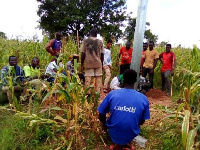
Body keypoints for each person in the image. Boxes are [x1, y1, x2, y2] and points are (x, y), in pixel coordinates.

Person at [97, 69, 150, 149]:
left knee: (110, 117)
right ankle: (127, 142)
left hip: (112, 132)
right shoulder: (143, 98)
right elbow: (142, 121)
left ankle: (116, 143)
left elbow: (101, 114)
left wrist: (105, 127)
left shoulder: (112, 94)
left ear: (123, 80)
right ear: (136, 80)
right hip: (132, 132)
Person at [81, 28, 104, 94]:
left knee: (88, 79)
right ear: (96, 34)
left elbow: (83, 54)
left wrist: (82, 64)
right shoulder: (100, 42)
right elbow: (102, 54)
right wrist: (101, 64)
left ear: (90, 33)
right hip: (98, 63)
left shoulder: (85, 41)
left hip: (89, 63)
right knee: (98, 80)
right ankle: (97, 94)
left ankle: (88, 95)